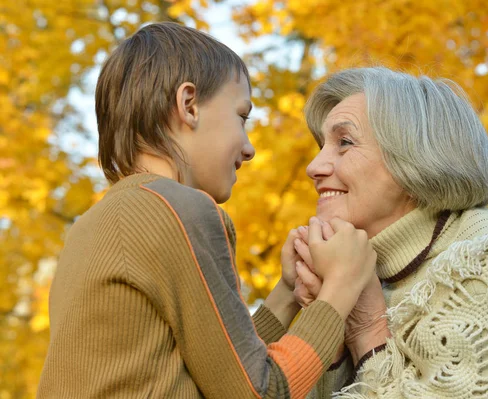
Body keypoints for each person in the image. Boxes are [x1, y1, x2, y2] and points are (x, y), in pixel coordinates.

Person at [37, 23, 378, 399]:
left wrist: (286, 293)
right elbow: (258, 391)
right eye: (241, 116)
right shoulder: (180, 210)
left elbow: (218, 373)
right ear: (189, 106)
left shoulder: (89, 228)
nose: (248, 149)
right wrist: (340, 288)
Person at [290, 67, 488, 398]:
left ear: (413, 157)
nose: (314, 167)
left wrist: (367, 331)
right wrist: (332, 329)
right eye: (322, 145)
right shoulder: (364, 273)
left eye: (345, 142)